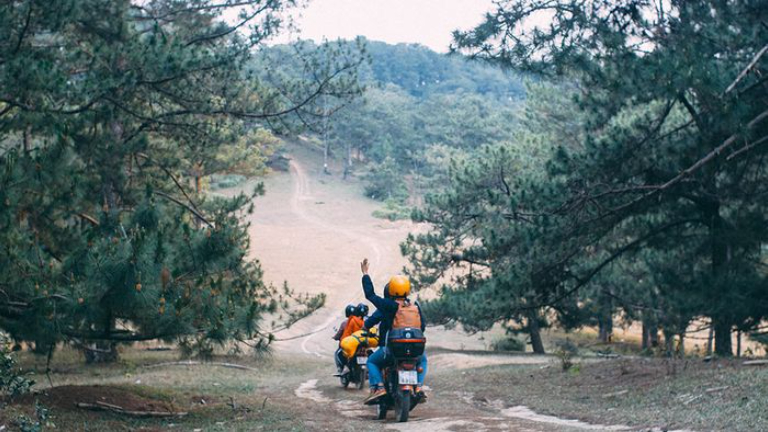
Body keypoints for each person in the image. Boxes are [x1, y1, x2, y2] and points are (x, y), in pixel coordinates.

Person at [360, 258, 427, 404]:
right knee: (423, 359)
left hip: (391, 350)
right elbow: (422, 326)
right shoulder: (414, 306)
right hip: (413, 350)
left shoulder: (388, 305)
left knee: (372, 361)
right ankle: (419, 387)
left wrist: (365, 274)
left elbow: (370, 295)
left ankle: (378, 387)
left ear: (391, 290)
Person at [332, 304, 364, 376]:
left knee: (338, 354)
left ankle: (344, 368)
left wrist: (335, 337)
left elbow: (340, 333)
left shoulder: (345, 323)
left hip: (349, 343)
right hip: (361, 343)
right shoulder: (362, 322)